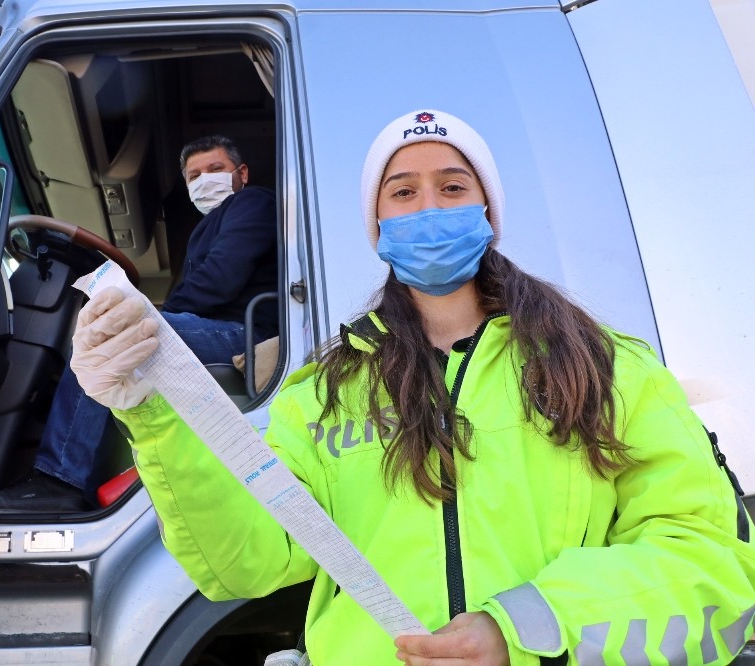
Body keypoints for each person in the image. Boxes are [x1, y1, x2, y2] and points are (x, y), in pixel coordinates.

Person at [69, 108, 755, 664]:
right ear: (379, 227)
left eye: (453, 187)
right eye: (402, 192)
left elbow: (709, 564)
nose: (428, 207)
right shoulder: (324, 395)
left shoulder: (608, 370)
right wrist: (153, 413)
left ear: (487, 210)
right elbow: (248, 563)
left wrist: (525, 628)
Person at [0, 135, 278, 513]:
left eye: (216, 170)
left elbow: (221, 277)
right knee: (115, 330)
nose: (205, 180)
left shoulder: (253, 202)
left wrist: (144, 315)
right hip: (220, 329)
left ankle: (60, 480)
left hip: (246, 335)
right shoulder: (209, 227)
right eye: (194, 176)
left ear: (242, 173)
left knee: (110, 334)